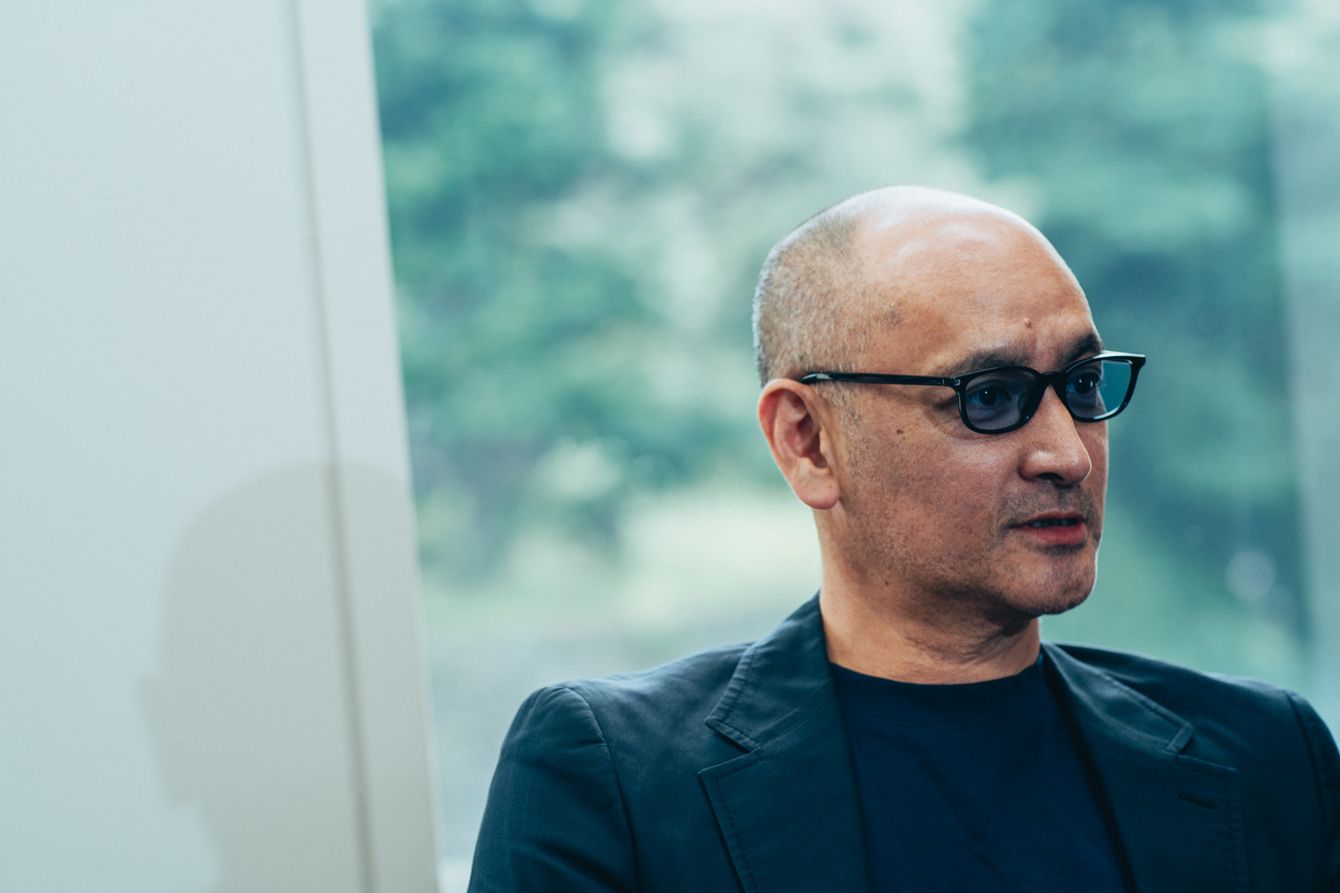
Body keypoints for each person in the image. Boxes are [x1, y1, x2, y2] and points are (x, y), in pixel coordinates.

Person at [467, 187, 1340, 892]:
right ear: (808, 441)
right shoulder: (614, 779)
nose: (1068, 453)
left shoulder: (1265, 755)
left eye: (1080, 385)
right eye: (989, 396)